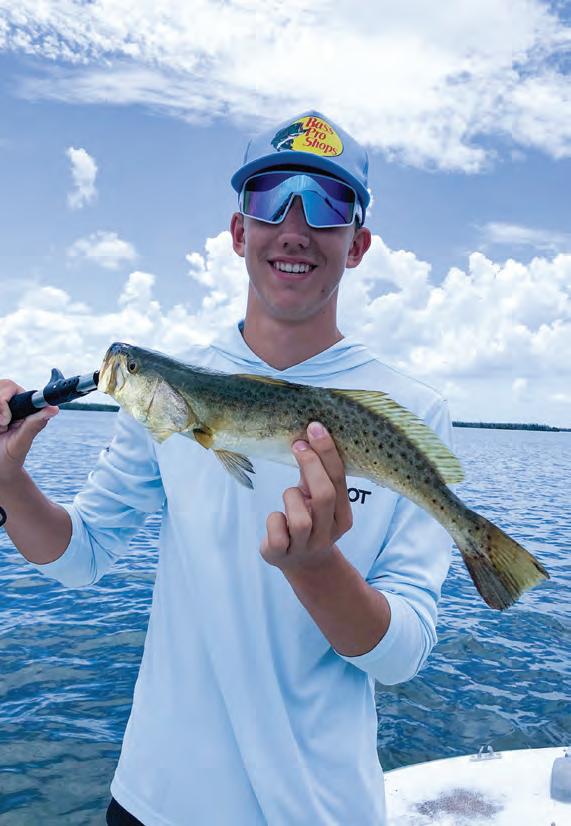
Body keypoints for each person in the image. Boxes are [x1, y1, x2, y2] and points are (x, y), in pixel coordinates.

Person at [0, 110, 454, 825]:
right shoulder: (167, 392)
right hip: (155, 801)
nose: (295, 227)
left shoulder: (412, 411)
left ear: (358, 244)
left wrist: (316, 568)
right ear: (239, 231)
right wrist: (7, 481)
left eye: (327, 204)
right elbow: (81, 555)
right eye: (270, 198)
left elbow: (401, 657)